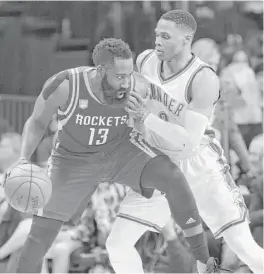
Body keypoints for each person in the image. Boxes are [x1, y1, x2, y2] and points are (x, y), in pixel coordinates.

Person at [3, 38, 215, 273]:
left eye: (129, 74)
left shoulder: (139, 86)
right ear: (101, 71)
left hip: (121, 151)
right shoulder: (65, 85)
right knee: (39, 235)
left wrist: (145, 117)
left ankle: (204, 261)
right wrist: (23, 159)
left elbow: (173, 117)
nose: (126, 82)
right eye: (120, 76)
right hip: (74, 159)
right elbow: (36, 123)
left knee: (173, 177)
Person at [106, 10, 264, 274]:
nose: (157, 41)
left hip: (198, 164)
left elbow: (189, 141)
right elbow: (134, 108)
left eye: (165, 36)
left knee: (242, 244)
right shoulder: (145, 60)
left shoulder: (204, 78)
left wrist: (145, 116)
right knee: (117, 244)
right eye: (157, 34)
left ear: (186, 39)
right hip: (160, 163)